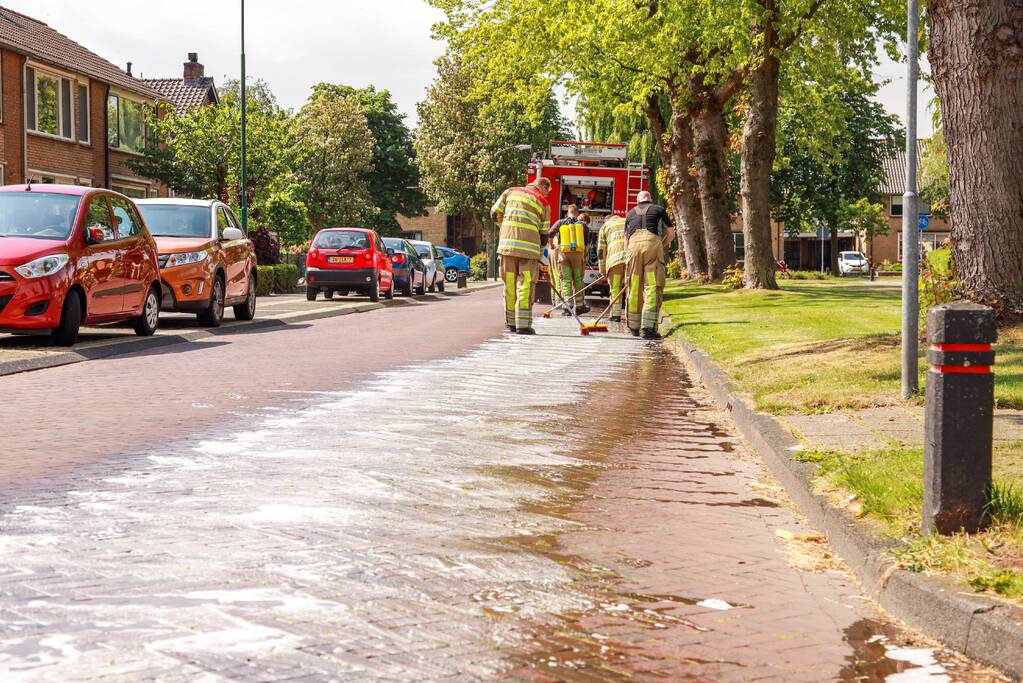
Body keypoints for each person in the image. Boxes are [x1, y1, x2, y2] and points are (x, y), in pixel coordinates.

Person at [491, 177, 551, 335]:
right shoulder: (543, 203)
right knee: (525, 286)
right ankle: (523, 325)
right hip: (529, 252)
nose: (547, 194)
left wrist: (505, 227)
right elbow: (544, 235)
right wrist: (539, 253)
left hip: (507, 248)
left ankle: (511, 322)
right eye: (547, 191)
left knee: (509, 285)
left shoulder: (510, 192)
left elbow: (494, 214)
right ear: (542, 186)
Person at [624, 191, 675, 339]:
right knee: (651, 286)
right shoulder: (659, 209)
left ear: (637, 201)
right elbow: (671, 234)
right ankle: (648, 328)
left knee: (634, 286)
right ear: (650, 199)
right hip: (652, 250)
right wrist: (660, 245)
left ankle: (634, 327)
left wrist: (629, 257)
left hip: (633, 250)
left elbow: (626, 240)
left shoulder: (630, 213)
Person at [548, 205, 591, 315]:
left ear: (568, 213)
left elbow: (550, 233)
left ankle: (567, 308)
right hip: (578, 256)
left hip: (564, 255)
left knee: (566, 280)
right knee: (578, 280)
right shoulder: (583, 225)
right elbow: (587, 244)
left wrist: (551, 245)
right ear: (577, 213)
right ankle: (580, 306)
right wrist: (584, 256)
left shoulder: (560, 222)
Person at [597, 214, 628, 322]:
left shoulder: (605, 227)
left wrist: (602, 270)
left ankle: (615, 315)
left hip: (614, 261)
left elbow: (601, 251)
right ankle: (631, 317)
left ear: (607, 220)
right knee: (630, 288)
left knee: (615, 288)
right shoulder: (627, 221)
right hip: (630, 260)